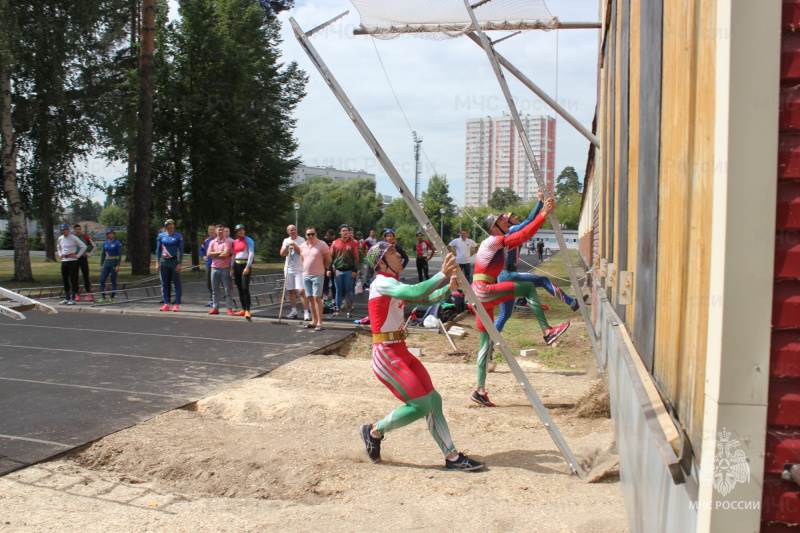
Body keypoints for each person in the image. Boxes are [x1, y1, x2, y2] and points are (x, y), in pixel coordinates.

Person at [358, 241, 485, 471]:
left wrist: (448, 287)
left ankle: (452, 457)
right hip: (386, 354)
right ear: (381, 263)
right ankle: (374, 432)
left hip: (400, 350)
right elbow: (415, 291)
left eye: (396, 250)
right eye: (392, 253)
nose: (399, 255)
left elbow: (425, 299)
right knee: (420, 405)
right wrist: (441, 275)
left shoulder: (392, 282)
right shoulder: (382, 283)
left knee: (433, 401)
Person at [470, 199, 570, 407]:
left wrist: (541, 206)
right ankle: (546, 331)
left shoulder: (498, 240)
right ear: (493, 227)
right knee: (528, 287)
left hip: (478, 294)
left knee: (484, 343)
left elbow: (524, 228)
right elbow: (523, 234)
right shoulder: (494, 240)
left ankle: (479, 390)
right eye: (501, 220)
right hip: (483, 291)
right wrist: (543, 214)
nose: (506, 221)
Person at [494, 194, 587, 335]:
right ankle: (572, 303)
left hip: (503, 276)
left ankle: (489, 343)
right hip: (508, 274)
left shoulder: (509, 234)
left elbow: (530, 225)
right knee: (543, 280)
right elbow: (530, 220)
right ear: (508, 222)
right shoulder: (512, 231)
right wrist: (539, 202)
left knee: (504, 315)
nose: (516, 217)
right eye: (513, 217)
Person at [296, 226, 332, 331]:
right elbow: (303, 259)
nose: (310, 236)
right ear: (305, 235)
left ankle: (320, 322)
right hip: (306, 275)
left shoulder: (322, 244)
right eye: (308, 234)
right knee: (310, 298)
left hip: (318, 275)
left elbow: (328, 260)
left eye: (312, 234)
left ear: (316, 234)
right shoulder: (303, 246)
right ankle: (314, 321)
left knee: (317, 298)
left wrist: (322, 268)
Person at [328, 224, 362, 318]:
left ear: (349, 232)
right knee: (338, 290)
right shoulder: (335, 243)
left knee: (349, 291)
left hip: (349, 271)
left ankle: (349, 310)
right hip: (338, 271)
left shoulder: (354, 243)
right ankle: (337, 309)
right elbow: (330, 257)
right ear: (340, 232)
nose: (345, 232)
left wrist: (355, 270)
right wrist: (328, 269)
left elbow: (356, 258)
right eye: (343, 230)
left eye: (346, 230)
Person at [280, 224, 310, 321]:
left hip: (299, 268)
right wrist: (286, 248)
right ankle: (294, 311)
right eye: (291, 230)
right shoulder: (286, 240)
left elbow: (302, 252)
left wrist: (295, 246)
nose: (293, 231)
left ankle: (306, 312)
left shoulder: (301, 240)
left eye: (294, 229)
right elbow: (282, 254)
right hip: (288, 268)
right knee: (291, 290)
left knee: (301, 291)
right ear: (287, 231)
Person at [206, 224, 235, 316]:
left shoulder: (227, 242)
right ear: (215, 231)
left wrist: (214, 254)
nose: (221, 231)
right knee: (215, 289)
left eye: (222, 230)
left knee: (227, 289)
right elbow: (208, 254)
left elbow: (225, 255)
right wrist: (219, 253)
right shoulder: (212, 242)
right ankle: (215, 307)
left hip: (225, 268)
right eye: (219, 230)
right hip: (214, 268)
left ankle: (229, 308)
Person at [156, 219, 184, 311]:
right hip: (164, 262)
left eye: (172, 225)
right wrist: (157, 262)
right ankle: (166, 303)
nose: (170, 227)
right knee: (164, 283)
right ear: (166, 226)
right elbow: (158, 250)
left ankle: (176, 304)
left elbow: (181, 250)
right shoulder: (161, 236)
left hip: (174, 261)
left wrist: (179, 263)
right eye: (168, 225)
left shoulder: (178, 236)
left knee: (176, 282)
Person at [57, 224, 87, 305]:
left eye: (65, 230)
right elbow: (59, 247)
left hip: (72, 260)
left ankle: (73, 297)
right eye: (63, 230)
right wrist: (60, 254)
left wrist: (77, 255)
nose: (64, 231)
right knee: (65, 279)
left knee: (73, 279)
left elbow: (83, 246)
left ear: (68, 230)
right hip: (64, 260)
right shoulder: (60, 238)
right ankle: (67, 297)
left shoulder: (73, 238)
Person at [232, 224, 255, 318]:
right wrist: (231, 268)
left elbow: (251, 253)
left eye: (242, 230)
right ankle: (243, 308)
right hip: (237, 265)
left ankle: (248, 310)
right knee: (240, 288)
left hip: (245, 264)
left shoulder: (248, 240)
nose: (241, 231)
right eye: (239, 230)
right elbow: (233, 255)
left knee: (245, 287)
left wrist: (248, 266)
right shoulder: (235, 241)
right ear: (236, 232)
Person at [97, 229, 123, 303]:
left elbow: (120, 255)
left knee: (113, 280)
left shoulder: (118, 243)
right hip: (107, 263)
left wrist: (118, 265)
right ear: (107, 235)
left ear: (114, 234)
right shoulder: (105, 243)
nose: (110, 235)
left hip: (114, 262)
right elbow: (103, 254)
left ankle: (112, 297)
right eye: (109, 234)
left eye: (112, 234)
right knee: (102, 279)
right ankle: (103, 296)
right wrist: (101, 265)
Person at [72, 224, 95, 301]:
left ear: (81, 230)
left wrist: (89, 254)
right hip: (75, 258)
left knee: (86, 276)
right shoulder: (72, 238)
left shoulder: (85, 237)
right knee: (75, 276)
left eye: (79, 229)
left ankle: (88, 293)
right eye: (76, 229)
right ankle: (77, 294)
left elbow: (94, 246)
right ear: (74, 230)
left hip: (83, 258)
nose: (77, 231)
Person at [200, 224, 217, 306]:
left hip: (217, 265)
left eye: (213, 229)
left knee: (216, 283)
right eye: (210, 229)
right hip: (208, 264)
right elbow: (201, 249)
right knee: (209, 283)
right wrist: (203, 256)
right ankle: (212, 299)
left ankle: (217, 299)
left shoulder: (218, 240)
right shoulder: (206, 240)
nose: (211, 231)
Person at [321, 228, 337, 302]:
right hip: (324, 263)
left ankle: (334, 297)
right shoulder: (322, 242)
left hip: (333, 263)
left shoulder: (334, 242)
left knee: (334, 282)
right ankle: (325, 295)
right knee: (325, 280)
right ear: (329, 235)